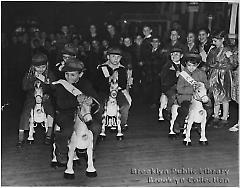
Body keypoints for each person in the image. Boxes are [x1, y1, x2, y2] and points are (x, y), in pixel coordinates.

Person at [53, 57, 102, 165]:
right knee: (67, 130)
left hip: (83, 114)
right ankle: (61, 152)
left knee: (96, 127)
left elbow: (96, 99)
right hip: (66, 113)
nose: (68, 77)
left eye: (72, 75)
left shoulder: (85, 84)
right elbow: (61, 104)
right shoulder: (61, 85)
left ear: (80, 74)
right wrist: (76, 101)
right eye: (66, 74)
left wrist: (91, 101)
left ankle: (90, 148)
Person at [16, 53, 56, 147]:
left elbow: (54, 87)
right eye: (38, 67)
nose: (41, 69)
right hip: (32, 97)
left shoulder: (49, 74)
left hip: (45, 97)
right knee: (25, 112)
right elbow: (24, 87)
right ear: (33, 67)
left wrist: (50, 84)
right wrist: (32, 83)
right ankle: (21, 137)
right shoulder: (29, 74)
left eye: (43, 67)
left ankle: (49, 134)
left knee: (50, 111)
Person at [95, 47, 131, 131]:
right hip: (104, 91)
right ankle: (100, 124)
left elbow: (123, 84)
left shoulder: (122, 69)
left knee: (125, 105)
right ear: (108, 57)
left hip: (117, 91)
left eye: (118, 57)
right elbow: (97, 83)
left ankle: (122, 123)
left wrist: (117, 84)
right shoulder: (102, 68)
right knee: (100, 106)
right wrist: (110, 79)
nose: (116, 59)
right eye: (113, 56)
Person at [207, 31, 237, 127]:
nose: (214, 43)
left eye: (216, 41)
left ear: (222, 40)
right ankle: (215, 116)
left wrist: (230, 58)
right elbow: (208, 62)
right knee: (215, 95)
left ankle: (224, 117)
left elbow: (234, 64)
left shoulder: (228, 50)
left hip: (224, 75)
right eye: (213, 41)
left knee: (225, 96)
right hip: (214, 74)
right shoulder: (212, 50)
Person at [173, 52, 209, 133]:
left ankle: (200, 123)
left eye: (194, 65)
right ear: (186, 64)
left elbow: (207, 85)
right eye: (189, 65)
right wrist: (193, 90)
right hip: (185, 97)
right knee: (185, 108)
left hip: (199, 97)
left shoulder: (201, 73)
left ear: (198, 65)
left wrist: (202, 87)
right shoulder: (183, 75)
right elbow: (179, 89)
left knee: (208, 107)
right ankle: (178, 122)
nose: (191, 68)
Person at [160, 47, 185, 118]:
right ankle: (168, 110)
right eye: (172, 54)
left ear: (181, 56)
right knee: (173, 96)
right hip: (170, 86)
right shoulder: (167, 66)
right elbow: (164, 79)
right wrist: (174, 76)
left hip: (183, 86)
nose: (174, 56)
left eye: (176, 54)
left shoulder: (184, 66)